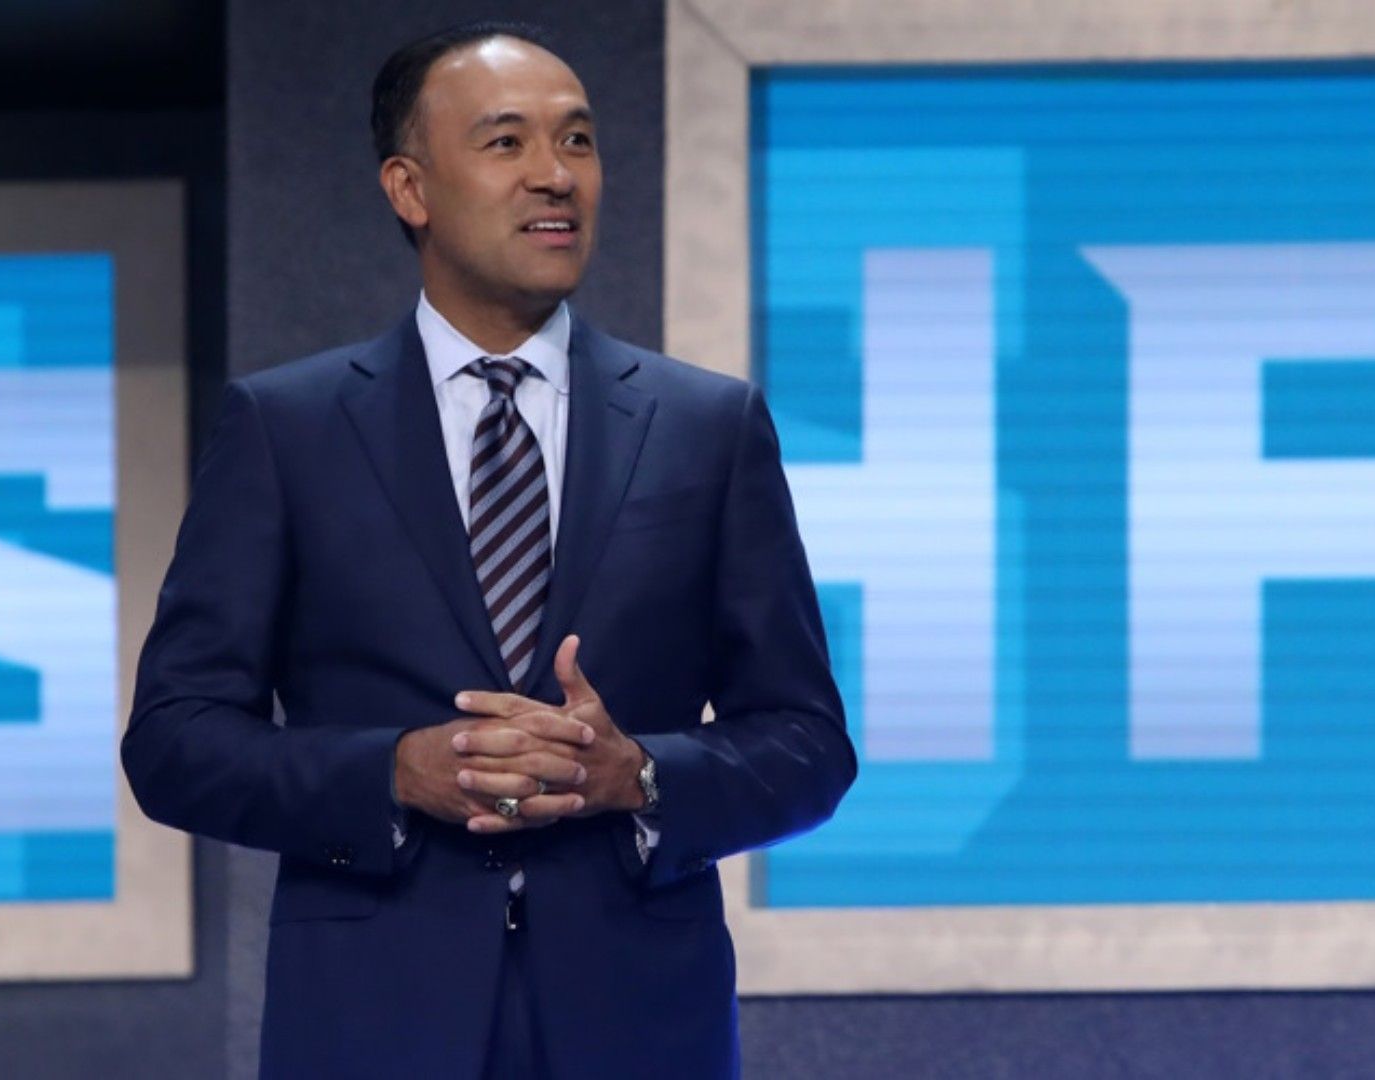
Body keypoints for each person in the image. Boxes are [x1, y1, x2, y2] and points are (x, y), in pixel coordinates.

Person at [122, 20, 856, 1079]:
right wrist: (393, 772)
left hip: (639, 1024)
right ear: (409, 188)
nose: (555, 176)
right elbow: (175, 742)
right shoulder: (289, 430)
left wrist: (639, 776)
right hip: (370, 1025)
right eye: (507, 142)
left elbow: (807, 745)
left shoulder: (708, 427)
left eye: (578, 141)